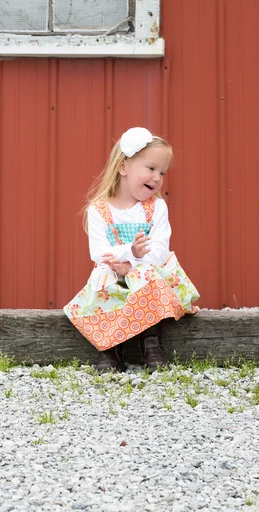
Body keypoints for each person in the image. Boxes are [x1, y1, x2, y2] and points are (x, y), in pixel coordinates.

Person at [64, 127, 199, 373]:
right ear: (123, 167)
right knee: (104, 279)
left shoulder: (156, 208)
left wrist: (135, 262)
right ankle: (110, 348)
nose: (157, 177)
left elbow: (159, 250)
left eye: (162, 172)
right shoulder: (99, 209)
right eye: (151, 168)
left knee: (144, 276)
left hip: (149, 270)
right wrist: (128, 252)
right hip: (113, 269)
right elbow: (98, 252)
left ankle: (151, 344)